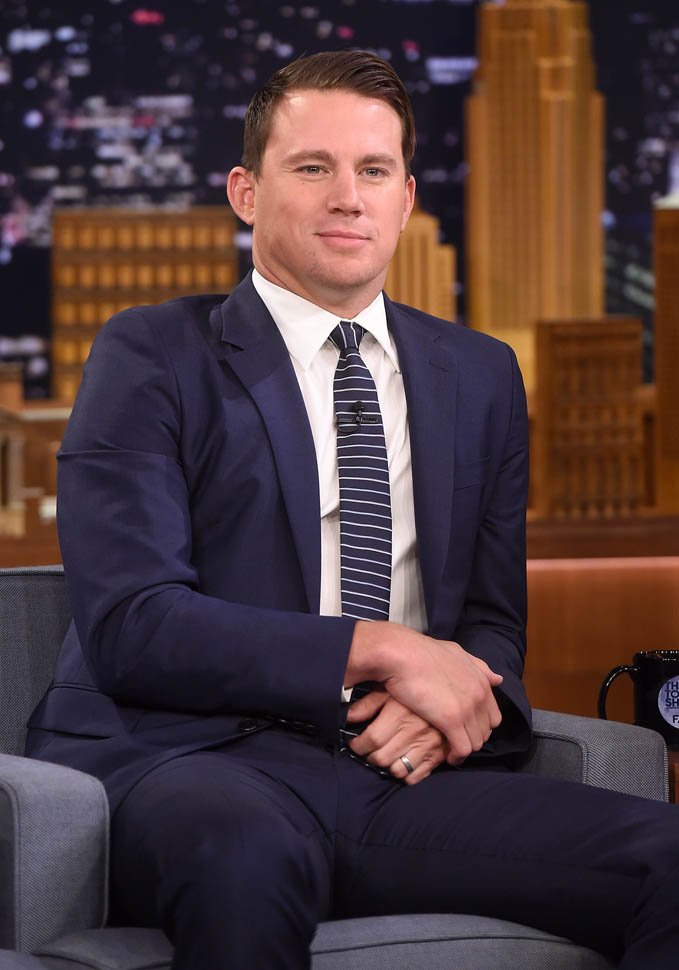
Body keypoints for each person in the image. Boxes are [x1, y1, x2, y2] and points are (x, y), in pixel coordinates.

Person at [27, 50, 679, 970]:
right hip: (192, 762)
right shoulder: (152, 354)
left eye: (373, 171)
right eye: (313, 167)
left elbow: (491, 624)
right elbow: (135, 625)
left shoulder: (480, 375)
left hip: (400, 774)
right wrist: (384, 649)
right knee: (244, 858)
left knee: (667, 860)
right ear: (246, 192)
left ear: (405, 199)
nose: (347, 197)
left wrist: (439, 706)